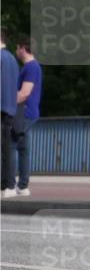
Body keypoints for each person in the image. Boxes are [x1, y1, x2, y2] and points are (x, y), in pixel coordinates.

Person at [12, 37, 43, 196]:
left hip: (24, 113)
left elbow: (24, 93)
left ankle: (8, 185)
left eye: (17, 48)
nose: (16, 51)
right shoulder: (31, 67)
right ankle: (23, 186)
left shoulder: (31, 67)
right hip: (27, 113)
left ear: (23, 48)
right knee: (22, 148)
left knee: (9, 146)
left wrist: (6, 103)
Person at [1, 29, 19, 198]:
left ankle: (8, 185)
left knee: (6, 150)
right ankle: (7, 185)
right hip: (10, 108)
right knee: (8, 149)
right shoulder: (12, 59)